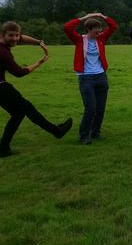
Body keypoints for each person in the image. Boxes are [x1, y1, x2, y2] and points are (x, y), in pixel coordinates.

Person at [0, 21, 72, 157]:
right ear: (3, 35)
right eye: (11, 35)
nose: (15, 38)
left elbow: (23, 38)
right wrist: (40, 62)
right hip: (1, 87)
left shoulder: (5, 42)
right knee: (27, 107)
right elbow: (19, 73)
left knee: (18, 113)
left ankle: (3, 147)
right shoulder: (3, 53)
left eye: (17, 35)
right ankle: (56, 131)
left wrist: (39, 42)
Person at [64, 13, 118, 144]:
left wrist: (102, 16)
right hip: (86, 78)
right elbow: (67, 27)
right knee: (91, 108)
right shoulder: (79, 40)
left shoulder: (101, 39)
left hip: (101, 77)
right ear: (88, 29)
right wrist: (85, 17)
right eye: (96, 29)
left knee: (100, 108)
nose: (99, 32)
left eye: (100, 29)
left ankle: (95, 132)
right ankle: (83, 135)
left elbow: (113, 26)